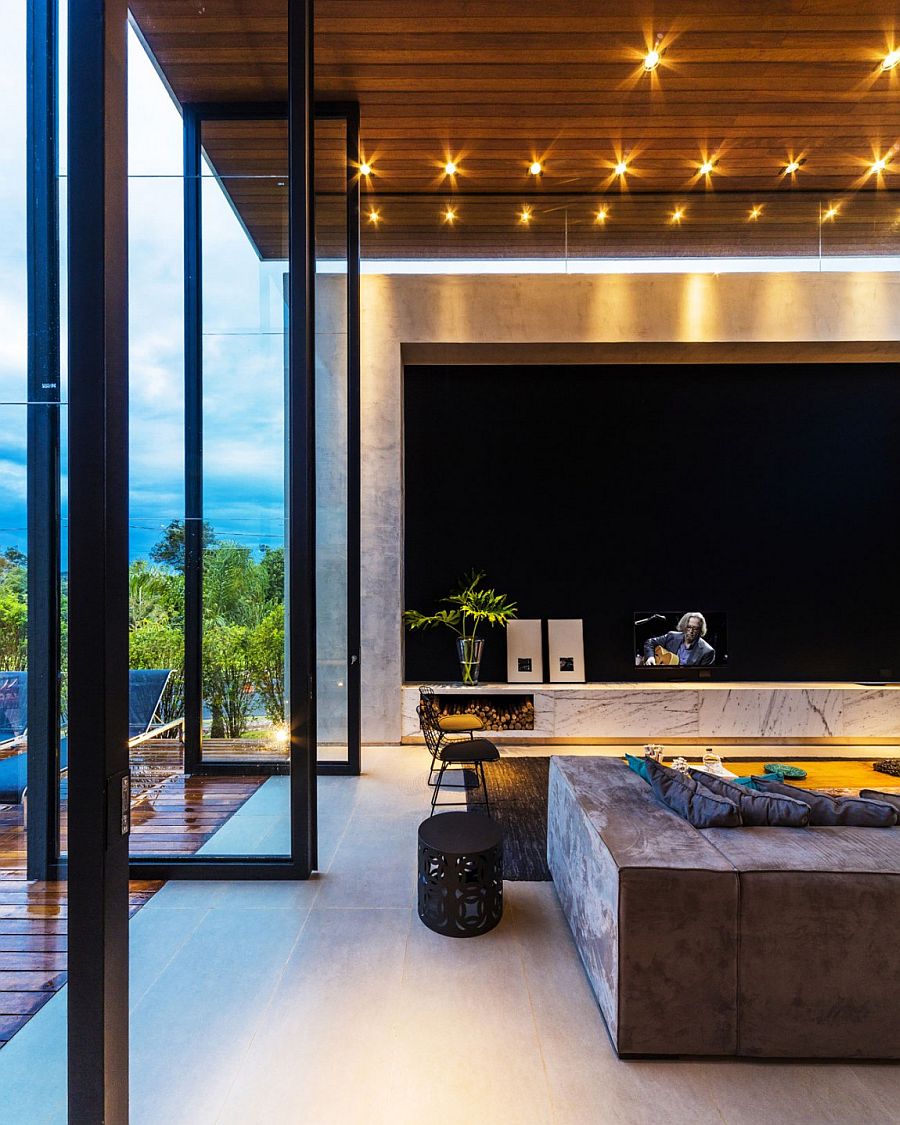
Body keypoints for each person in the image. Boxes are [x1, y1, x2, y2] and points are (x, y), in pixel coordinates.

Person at [643, 612, 715, 667]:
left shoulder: (707, 651)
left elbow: (701, 676)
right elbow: (650, 642)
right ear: (684, 626)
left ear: (700, 630)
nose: (691, 631)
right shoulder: (672, 636)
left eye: (695, 628)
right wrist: (650, 657)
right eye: (689, 627)